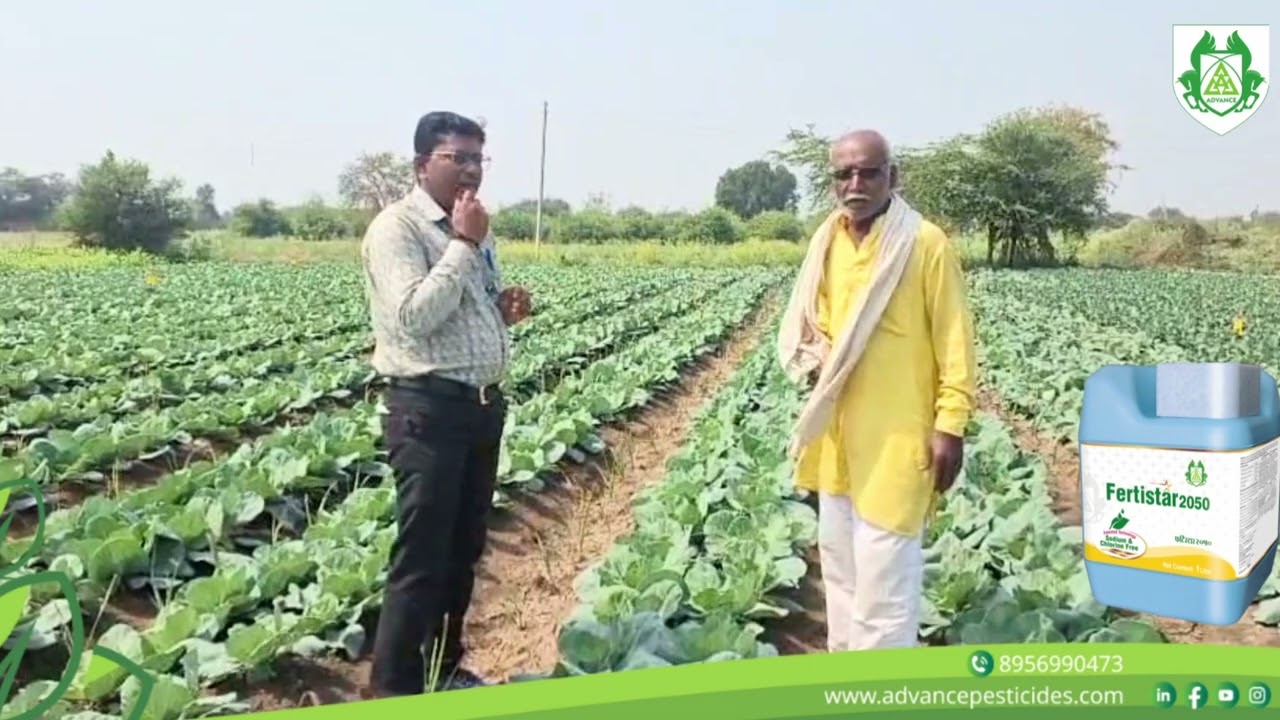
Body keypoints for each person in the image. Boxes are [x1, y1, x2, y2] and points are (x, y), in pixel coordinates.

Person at [776, 129, 976, 652]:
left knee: (884, 597)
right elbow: (819, 327)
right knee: (841, 582)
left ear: (894, 175)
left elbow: (955, 340)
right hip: (837, 443)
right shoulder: (828, 242)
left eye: (868, 171)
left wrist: (950, 425)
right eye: (844, 173)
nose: (855, 183)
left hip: (897, 442)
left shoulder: (923, 243)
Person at [360, 110, 532, 696]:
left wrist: (502, 303)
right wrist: (462, 243)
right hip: (427, 411)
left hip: (479, 409)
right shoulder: (398, 229)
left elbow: (463, 301)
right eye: (455, 157)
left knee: (463, 549)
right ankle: (394, 690)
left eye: (477, 158)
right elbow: (414, 316)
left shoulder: (475, 228)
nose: (469, 170)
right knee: (422, 558)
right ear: (420, 165)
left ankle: (445, 666)